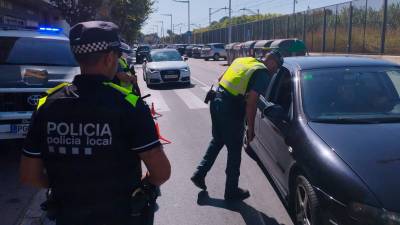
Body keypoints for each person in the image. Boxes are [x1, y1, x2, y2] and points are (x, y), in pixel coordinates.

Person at [20, 21, 171, 225]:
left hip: (67, 215)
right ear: (110, 58)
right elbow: (161, 172)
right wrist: (143, 188)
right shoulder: (129, 105)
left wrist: (62, 187)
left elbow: (29, 175)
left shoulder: (47, 105)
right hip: (121, 215)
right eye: (118, 57)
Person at [191, 50, 284, 201]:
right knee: (234, 151)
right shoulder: (263, 73)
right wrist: (251, 129)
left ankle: (199, 174)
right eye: (277, 67)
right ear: (272, 62)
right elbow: (251, 102)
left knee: (218, 140)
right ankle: (231, 191)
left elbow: (221, 78)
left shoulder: (245, 61)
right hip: (230, 110)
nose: (276, 71)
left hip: (216, 101)